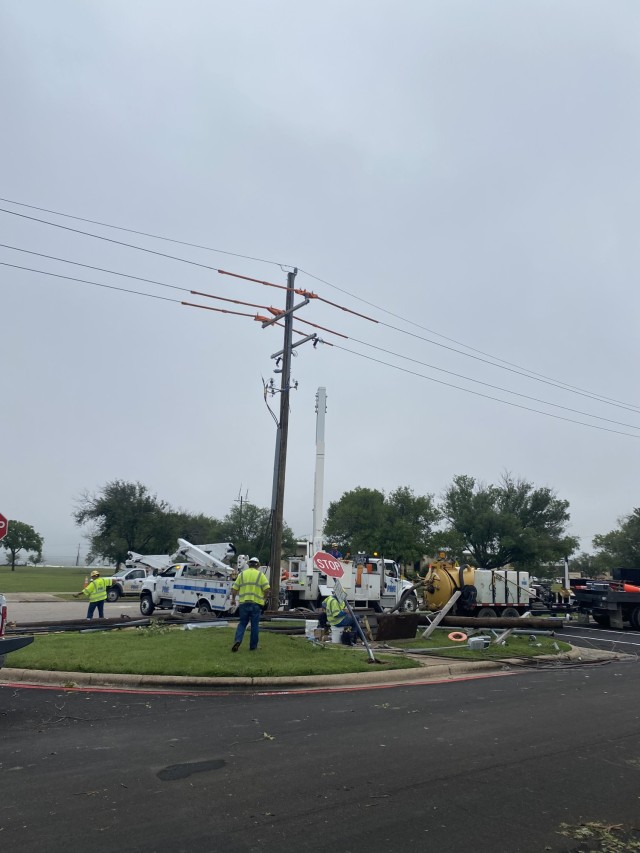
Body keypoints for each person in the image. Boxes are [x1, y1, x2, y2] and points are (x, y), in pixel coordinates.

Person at [230, 557, 270, 652]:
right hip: (256, 604)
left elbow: (234, 589)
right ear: (258, 565)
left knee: (242, 623)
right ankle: (253, 647)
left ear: (248, 564)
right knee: (254, 625)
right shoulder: (260, 575)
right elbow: (267, 589)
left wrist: (233, 600)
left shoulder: (242, 574)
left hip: (244, 603)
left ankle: (238, 640)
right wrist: (264, 599)